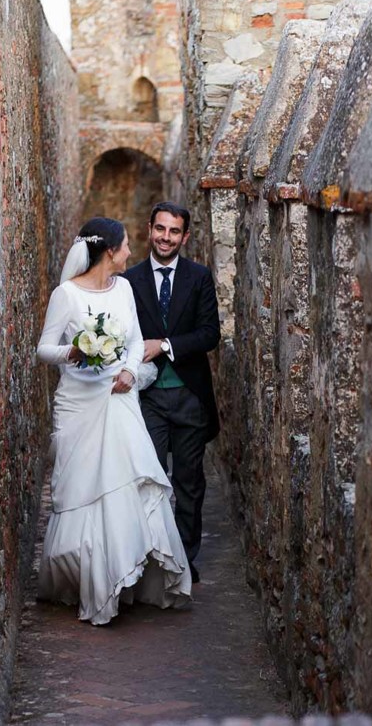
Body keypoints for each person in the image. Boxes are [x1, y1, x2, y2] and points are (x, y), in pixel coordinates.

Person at [35, 216, 192, 625]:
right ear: (109, 251)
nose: (129, 253)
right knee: (83, 486)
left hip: (119, 396)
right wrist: (76, 351)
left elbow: (137, 339)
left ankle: (126, 576)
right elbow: (44, 349)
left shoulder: (124, 289)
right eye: (124, 247)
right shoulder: (65, 295)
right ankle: (86, 576)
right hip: (79, 401)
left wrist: (127, 370)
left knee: (125, 481)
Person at [123, 202, 220, 583]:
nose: (166, 237)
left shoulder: (199, 277)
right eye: (160, 229)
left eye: (174, 232)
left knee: (189, 482)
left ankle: (183, 558)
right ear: (149, 229)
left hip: (189, 397)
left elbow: (209, 334)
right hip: (147, 398)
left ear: (185, 236)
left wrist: (164, 344)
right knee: (148, 477)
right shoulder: (129, 281)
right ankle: (150, 556)